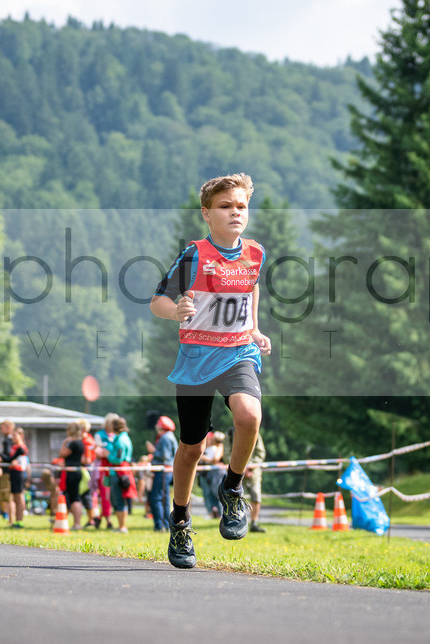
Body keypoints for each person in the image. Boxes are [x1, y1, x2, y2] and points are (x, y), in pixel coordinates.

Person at [149, 172, 271, 569]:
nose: (236, 212)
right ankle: (181, 520)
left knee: (250, 415)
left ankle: (232, 488)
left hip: (238, 354)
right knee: (192, 449)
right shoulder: (195, 255)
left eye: (242, 206)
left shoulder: (255, 253)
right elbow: (158, 301)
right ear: (207, 213)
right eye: (226, 206)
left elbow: (251, 288)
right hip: (198, 360)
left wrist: (253, 327)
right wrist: (176, 310)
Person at [224, 425, 267, 533]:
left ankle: (254, 523)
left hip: (253, 473)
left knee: (256, 496)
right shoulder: (229, 434)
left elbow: (260, 452)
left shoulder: (255, 432)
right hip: (235, 472)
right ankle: (235, 523)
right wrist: (240, 468)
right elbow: (226, 454)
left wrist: (250, 467)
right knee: (234, 497)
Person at [145, 415, 178, 532]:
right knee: (164, 498)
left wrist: (153, 451)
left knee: (157, 498)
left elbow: (165, 456)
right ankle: (165, 524)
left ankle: (160, 525)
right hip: (167, 470)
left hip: (164, 470)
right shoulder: (169, 436)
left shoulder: (165, 438)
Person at [59, 422, 92, 531]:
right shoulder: (81, 442)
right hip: (77, 471)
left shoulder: (72, 443)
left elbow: (62, 453)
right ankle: (77, 523)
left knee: (74, 498)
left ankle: (77, 523)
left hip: (72, 472)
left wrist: (64, 443)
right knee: (75, 497)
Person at [105, 416, 134, 533]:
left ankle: (122, 526)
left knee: (118, 499)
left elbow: (118, 458)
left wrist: (107, 454)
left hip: (119, 472)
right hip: (120, 471)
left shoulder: (121, 441)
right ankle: (121, 525)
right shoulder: (123, 438)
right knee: (117, 499)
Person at [199, 431, 226, 518]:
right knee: (208, 494)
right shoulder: (206, 449)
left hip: (217, 474)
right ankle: (213, 513)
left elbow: (215, 460)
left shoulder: (219, 447)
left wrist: (202, 457)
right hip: (206, 474)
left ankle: (222, 513)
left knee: (217, 493)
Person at [6, 428, 29, 529]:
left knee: (19, 497)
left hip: (18, 473)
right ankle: (17, 520)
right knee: (15, 497)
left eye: (15, 436)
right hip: (13, 473)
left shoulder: (21, 447)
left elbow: (13, 460)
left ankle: (20, 521)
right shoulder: (14, 446)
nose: (13, 438)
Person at [0, 420, 15, 520]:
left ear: (8, 428)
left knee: (7, 496)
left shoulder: (8, 441)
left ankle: (10, 519)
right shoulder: (12, 440)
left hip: (7, 472)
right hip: (10, 472)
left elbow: (8, 456)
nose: (1, 430)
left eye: (2, 428)